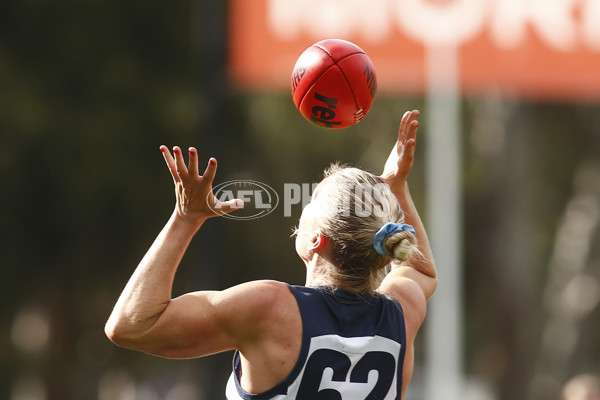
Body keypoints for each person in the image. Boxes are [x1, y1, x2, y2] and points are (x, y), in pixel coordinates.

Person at [104, 109, 437, 399]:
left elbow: (132, 326)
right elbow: (422, 272)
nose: (301, 209)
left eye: (310, 203)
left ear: (316, 241)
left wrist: (185, 218)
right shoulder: (402, 312)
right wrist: (396, 188)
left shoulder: (271, 308)